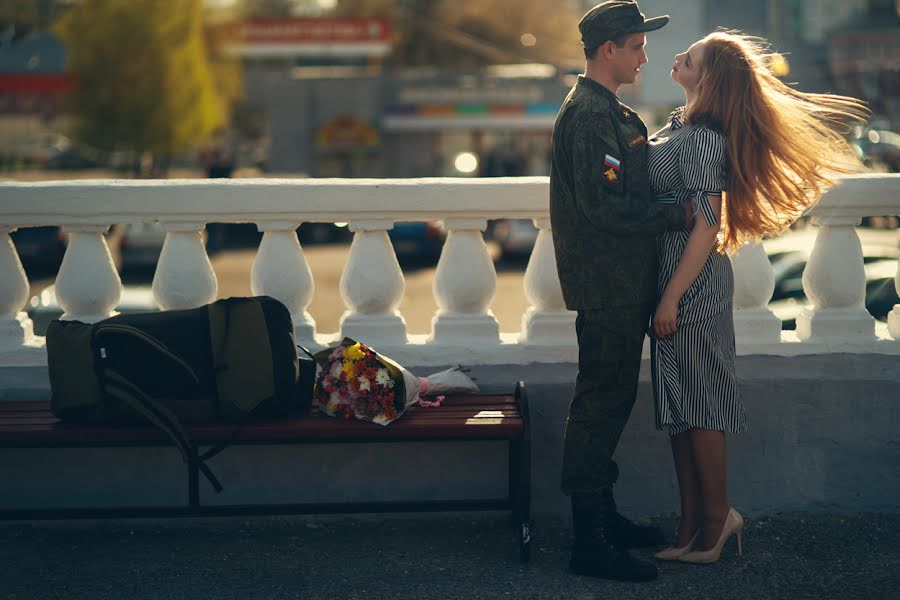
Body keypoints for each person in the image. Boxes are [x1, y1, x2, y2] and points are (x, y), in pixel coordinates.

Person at [647, 31, 867, 565]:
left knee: (701, 407)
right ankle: (689, 527)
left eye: (690, 57)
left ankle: (718, 521)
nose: (677, 57)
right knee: (679, 408)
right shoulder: (682, 128)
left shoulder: (702, 140)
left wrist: (672, 297)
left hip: (691, 285)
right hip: (672, 281)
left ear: (710, 78)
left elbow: (706, 224)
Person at [549, 1, 694, 583]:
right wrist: (672, 215)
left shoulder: (607, 111)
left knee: (609, 402)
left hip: (620, 280)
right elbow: (602, 206)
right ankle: (590, 540)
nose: (644, 55)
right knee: (599, 404)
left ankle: (604, 518)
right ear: (607, 49)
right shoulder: (589, 116)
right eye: (635, 45)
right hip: (606, 283)